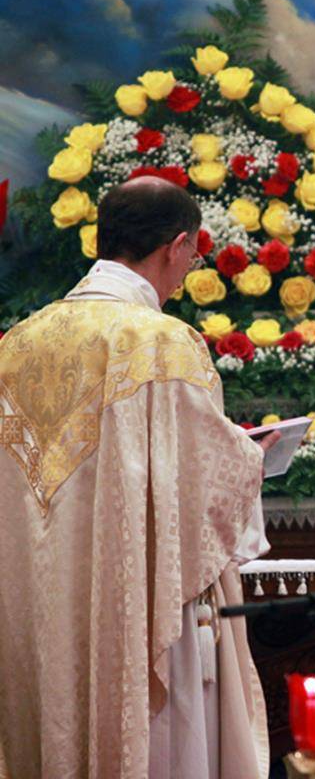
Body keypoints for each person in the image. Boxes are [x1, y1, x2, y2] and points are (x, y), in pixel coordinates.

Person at [0, 177, 276, 779]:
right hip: (138, 604)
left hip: (37, 610)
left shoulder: (15, 345)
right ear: (177, 246)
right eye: (193, 256)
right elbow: (203, 487)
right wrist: (253, 456)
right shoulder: (162, 343)